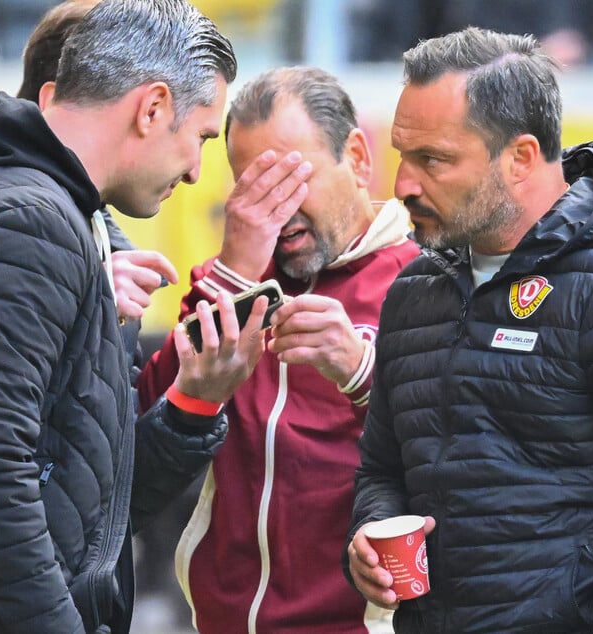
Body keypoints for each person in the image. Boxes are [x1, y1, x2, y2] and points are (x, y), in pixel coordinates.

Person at [0, 1, 272, 632]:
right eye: (200, 137)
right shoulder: (29, 219)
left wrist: (191, 405)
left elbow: (79, 499)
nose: (198, 170)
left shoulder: (31, 205)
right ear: (152, 108)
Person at [345, 26, 593, 633]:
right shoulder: (415, 291)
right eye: (402, 154)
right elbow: (383, 471)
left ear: (522, 157)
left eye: (434, 160)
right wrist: (370, 534)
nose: (402, 185)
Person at [138, 66, 420, 634]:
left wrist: (364, 374)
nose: (277, 210)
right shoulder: (234, 285)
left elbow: (465, 451)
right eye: (253, 188)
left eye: (293, 179)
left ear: (359, 158)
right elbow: (144, 423)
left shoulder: (425, 282)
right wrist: (232, 270)